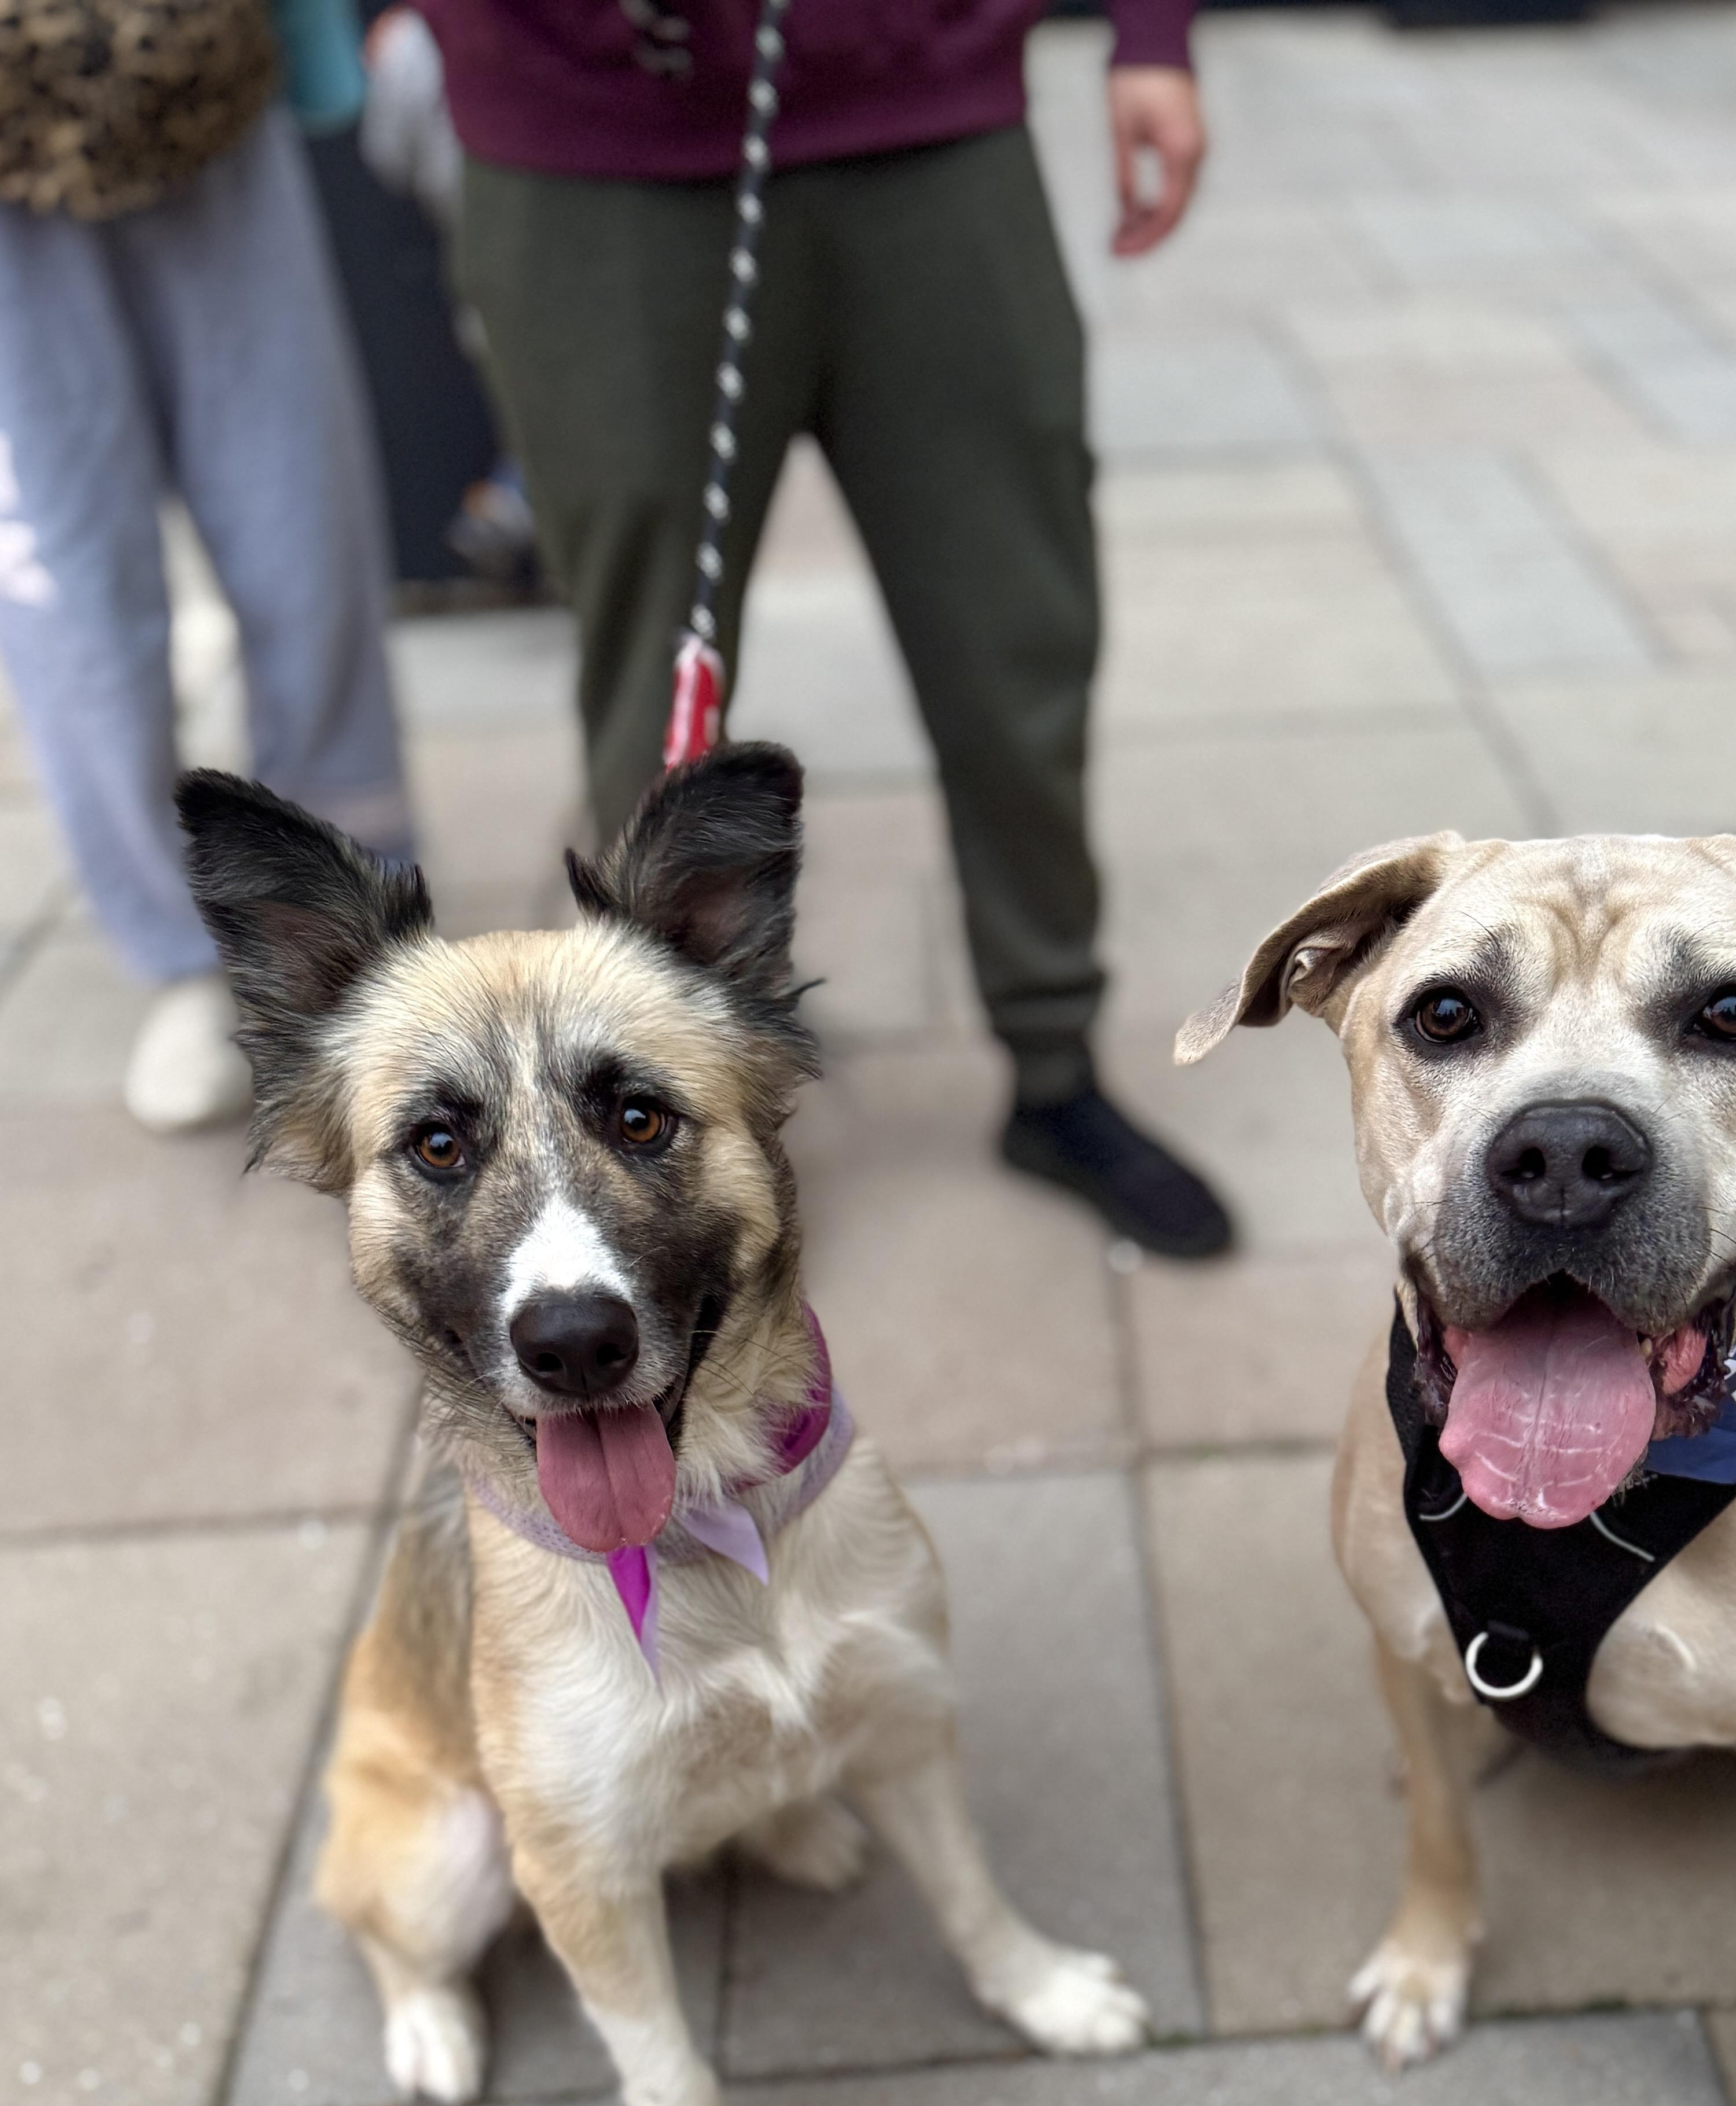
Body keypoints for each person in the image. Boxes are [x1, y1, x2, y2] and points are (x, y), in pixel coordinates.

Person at [422, 0, 1235, 1257]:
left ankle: (1055, 1061)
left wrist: (1151, 34)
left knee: (1015, 635)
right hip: (587, 136)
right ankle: (671, 1119)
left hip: (934, 105)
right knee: (656, 691)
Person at [0, 0, 415, 1132]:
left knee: (305, 532)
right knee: (72, 600)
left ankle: (351, 903)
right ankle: (180, 951)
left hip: (206, 79)